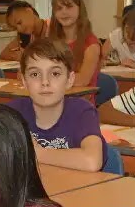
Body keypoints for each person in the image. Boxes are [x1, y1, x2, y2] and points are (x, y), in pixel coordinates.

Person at [8, 39, 105, 172]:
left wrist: (38, 153)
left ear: (70, 80)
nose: (45, 82)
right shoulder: (13, 113)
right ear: (24, 81)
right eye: (35, 74)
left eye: (55, 74)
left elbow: (92, 161)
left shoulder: (82, 111)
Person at [49, 0, 101, 87]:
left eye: (69, 7)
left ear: (80, 9)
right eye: (59, 8)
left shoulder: (91, 45)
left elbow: (82, 80)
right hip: (54, 95)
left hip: (80, 99)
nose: (64, 12)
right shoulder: (50, 42)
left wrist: (47, 77)